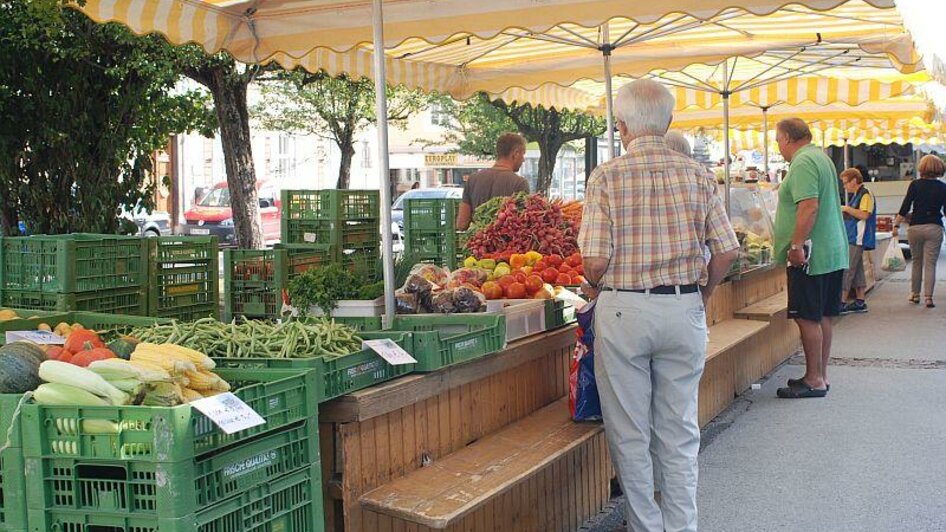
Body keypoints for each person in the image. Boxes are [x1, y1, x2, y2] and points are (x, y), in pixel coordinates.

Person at [578, 79, 739, 532]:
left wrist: (598, 277)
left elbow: (594, 261)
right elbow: (726, 251)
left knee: (631, 432)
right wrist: (701, 294)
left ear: (621, 125)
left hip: (625, 311)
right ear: (668, 122)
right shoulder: (698, 174)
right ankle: (682, 526)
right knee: (679, 430)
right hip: (683, 308)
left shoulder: (605, 176)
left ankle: (646, 526)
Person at [772, 118, 848, 399]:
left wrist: (796, 245)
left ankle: (814, 378)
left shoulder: (802, 163)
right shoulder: (822, 157)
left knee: (807, 317)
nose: (778, 147)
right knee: (823, 316)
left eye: (778, 140)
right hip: (830, 250)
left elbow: (808, 207)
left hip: (811, 255)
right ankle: (820, 375)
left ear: (789, 138)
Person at [894, 154, 946, 308]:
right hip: (934, 227)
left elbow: (905, 207)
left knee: (917, 262)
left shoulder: (915, 185)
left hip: (915, 227)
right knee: (930, 264)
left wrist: (896, 225)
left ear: (922, 168)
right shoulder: (943, 187)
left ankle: (915, 294)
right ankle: (928, 298)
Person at [455, 133, 530, 230]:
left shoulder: (472, 179)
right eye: (523, 154)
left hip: (478, 243)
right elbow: (522, 226)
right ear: (515, 153)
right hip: (506, 244)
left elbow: (461, 224)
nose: (523, 160)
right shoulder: (520, 183)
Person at [839, 168, 877, 314]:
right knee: (858, 270)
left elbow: (864, 215)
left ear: (854, 180)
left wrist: (847, 209)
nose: (845, 186)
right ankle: (860, 301)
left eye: (845, 183)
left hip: (857, 238)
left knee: (847, 270)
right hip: (854, 237)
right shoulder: (858, 194)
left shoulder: (865, 194)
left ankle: (841, 302)